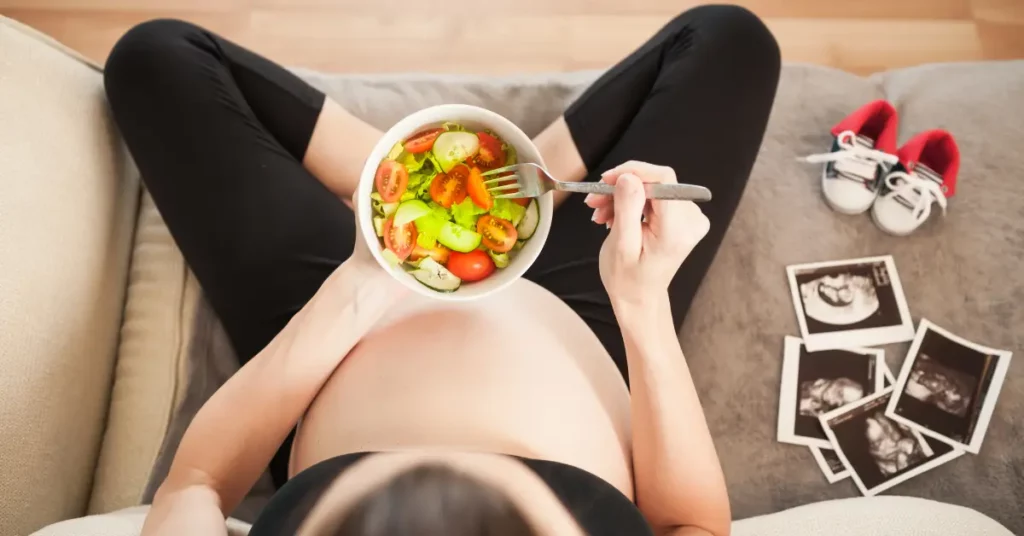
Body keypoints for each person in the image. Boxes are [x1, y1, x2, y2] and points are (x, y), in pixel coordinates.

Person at [102, 5, 780, 535]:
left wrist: (363, 282)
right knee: (730, 41)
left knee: (156, 57)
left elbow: (195, 484)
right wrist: (643, 303)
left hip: (341, 320)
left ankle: (407, 179)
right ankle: (522, 179)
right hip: (589, 311)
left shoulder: (354, 294)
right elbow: (689, 526)